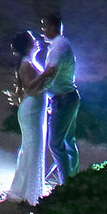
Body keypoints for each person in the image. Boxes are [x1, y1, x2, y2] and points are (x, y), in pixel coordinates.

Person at [3, 28, 53, 205]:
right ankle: (27, 193)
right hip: (32, 110)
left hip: (35, 110)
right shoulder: (26, 64)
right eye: (33, 40)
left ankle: (28, 190)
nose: (37, 42)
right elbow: (30, 88)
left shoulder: (28, 62)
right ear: (27, 46)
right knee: (32, 148)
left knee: (33, 147)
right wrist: (46, 75)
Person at [37, 11, 79, 183]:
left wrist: (33, 84)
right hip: (69, 97)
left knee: (55, 144)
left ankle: (65, 184)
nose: (42, 30)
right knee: (68, 141)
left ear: (53, 27)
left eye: (44, 26)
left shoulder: (58, 47)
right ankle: (72, 178)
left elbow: (51, 72)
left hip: (62, 99)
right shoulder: (62, 44)